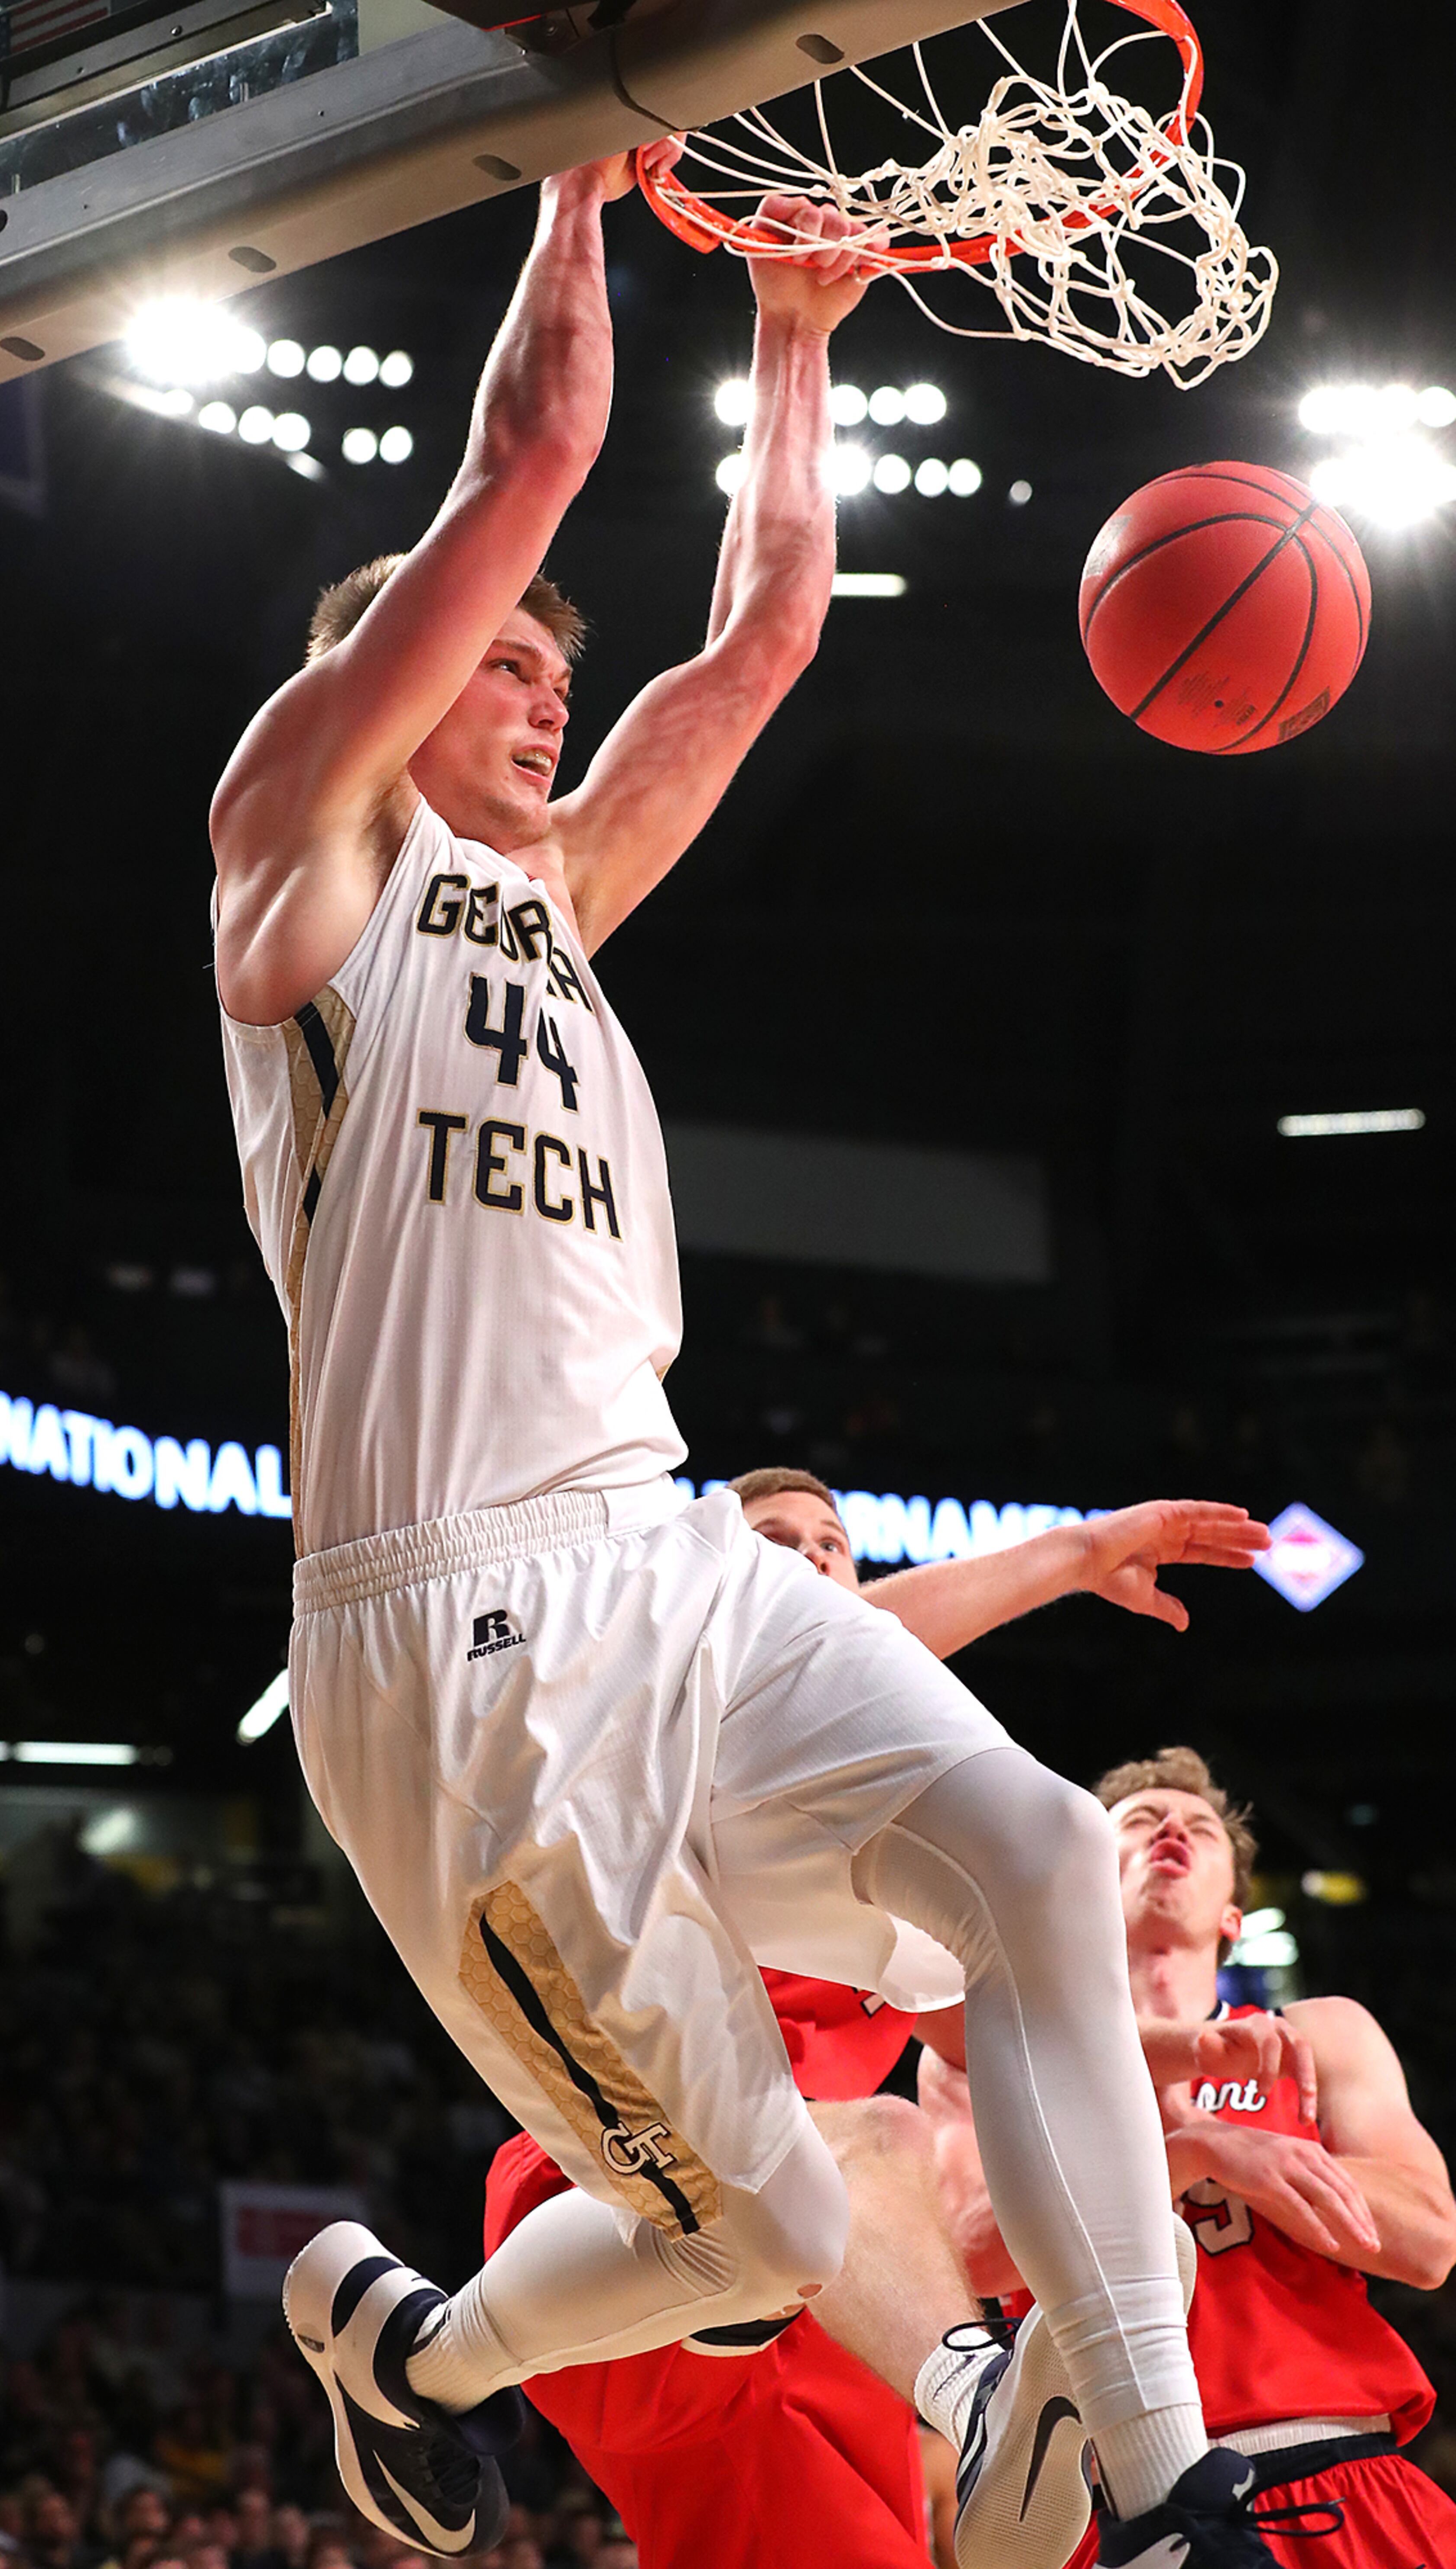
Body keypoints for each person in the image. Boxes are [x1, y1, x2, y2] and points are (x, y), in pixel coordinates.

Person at [212, 133, 1279, 2569]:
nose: (540, 687)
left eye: (551, 673)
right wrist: (574, 195)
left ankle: (1164, 2475)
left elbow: (764, 639)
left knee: (1030, 1840)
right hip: (457, 1644)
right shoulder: (296, 849)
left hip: (658, 1559)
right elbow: (528, 462)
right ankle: (413, 2343)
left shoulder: (561, 905)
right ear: (366, 684)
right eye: (496, 656)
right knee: (767, 2242)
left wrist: (799, 339)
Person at [484, 1470, 1281, 2569]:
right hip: (626, 2182)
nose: (810, 1560)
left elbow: (1019, 2019)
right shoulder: (670, 1714)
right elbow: (848, 1637)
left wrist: (1191, 2048)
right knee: (881, 2133)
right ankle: (1057, 2421)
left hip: (846, 2281)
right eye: (773, 1541)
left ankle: (1059, 2428)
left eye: (831, 1544)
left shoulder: (878, 1840)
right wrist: (1074, 1552)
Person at [922, 1745, 1456, 2567]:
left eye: (1200, 1828)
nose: (1173, 1826)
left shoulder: (1322, 2033)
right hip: (1122, 2507)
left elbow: (1427, 2240)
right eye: (1139, 1822)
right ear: (1083, 1881)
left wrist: (1246, 2154)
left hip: (1343, 2470)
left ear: (1234, 1918)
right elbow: (977, 2259)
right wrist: (1201, 2150)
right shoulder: (992, 2049)